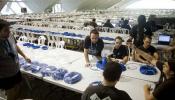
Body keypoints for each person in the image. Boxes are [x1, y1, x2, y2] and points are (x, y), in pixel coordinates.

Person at [0, 19, 31, 100]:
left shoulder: (10, 35)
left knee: (18, 88)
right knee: (11, 92)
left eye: (9, 29)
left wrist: (24, 56)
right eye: (5, 30)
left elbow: (15, 46)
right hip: (5, 75)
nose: (9, 32)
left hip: (16, 69)